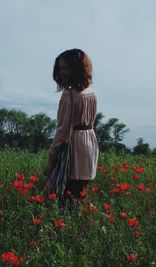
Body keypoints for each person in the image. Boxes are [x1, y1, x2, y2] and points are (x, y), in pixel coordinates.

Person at [44, 48, 99, 202]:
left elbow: (61, 132)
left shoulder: (68, 96)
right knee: (81, 193)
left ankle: (84, 222)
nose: (61, 72)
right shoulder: (91, 92)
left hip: (74, 148)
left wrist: (51, 160)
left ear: (77, 69)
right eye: (60, 68)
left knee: (68, 197)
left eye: (65, 68)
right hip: (89, 144)